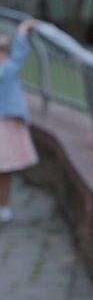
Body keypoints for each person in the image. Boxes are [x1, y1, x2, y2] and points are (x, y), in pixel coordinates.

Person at [0, 19, 40, 223]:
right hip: (4, 127)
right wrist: (22, 33)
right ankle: (4, 208)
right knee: (4, 173)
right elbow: (19, 56)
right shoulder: (6, 71)